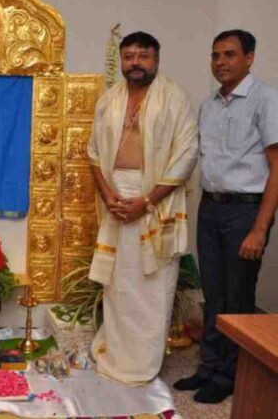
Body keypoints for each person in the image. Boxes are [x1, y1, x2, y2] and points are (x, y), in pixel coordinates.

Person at [87, 31, 198, 385]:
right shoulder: (109, 100)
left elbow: (186, 155)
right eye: (129, 56)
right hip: (116, 198)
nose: (135, 62)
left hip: (155, 201)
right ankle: (115, 353)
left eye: (143, 56)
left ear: (156, 59)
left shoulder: (175, 98)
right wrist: (107, 194)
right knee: (118, 286)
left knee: (152, 287)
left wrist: (147, 200)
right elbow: (93, 153)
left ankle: (141, 365)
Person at [174, 30, 278, 403]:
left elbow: (276, 167)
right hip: (211, 207)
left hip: (245, 210)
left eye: (230, 54)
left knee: (237, 295)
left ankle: (231, 374)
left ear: (249, 58)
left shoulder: (266, 100)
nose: (221, 62)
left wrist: (260, 229)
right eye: (215, 55)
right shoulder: (209, 106)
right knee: (213, 292)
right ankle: (210, 366)